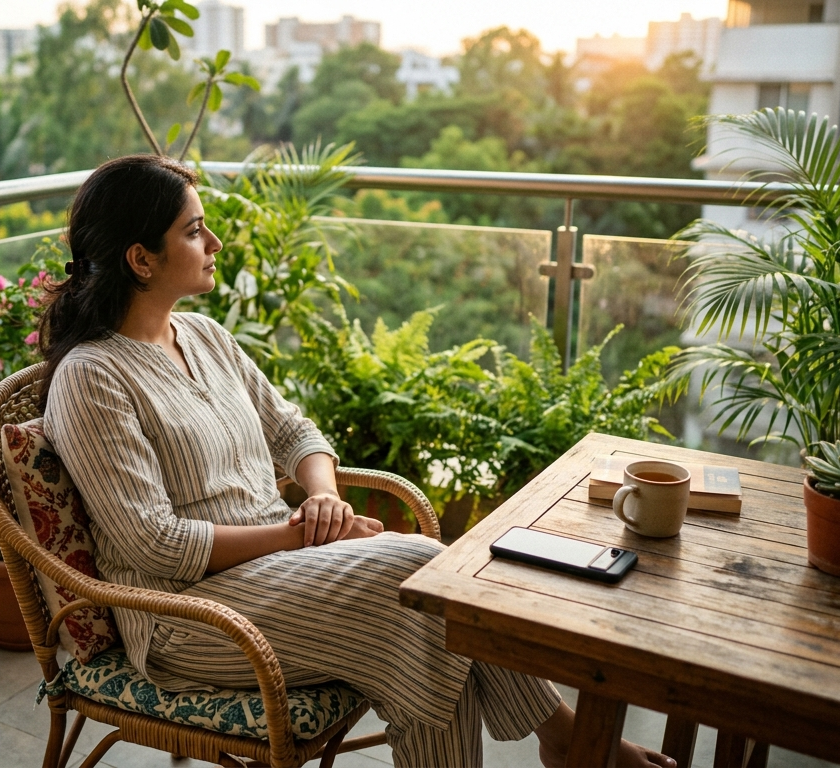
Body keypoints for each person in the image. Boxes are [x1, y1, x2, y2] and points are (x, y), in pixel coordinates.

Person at [41, 154, 674, 768]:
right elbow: (155, 546)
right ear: (141, 259)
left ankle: (564, 741)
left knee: (422, 631)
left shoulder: (205, 336)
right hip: (182, 619)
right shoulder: (92, 378)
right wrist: (295, 535)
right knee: (424, 574)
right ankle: (564, 737)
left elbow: (295, 431)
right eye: (194, 230)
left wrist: (322, 498)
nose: (216, 240)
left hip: (275, 572)